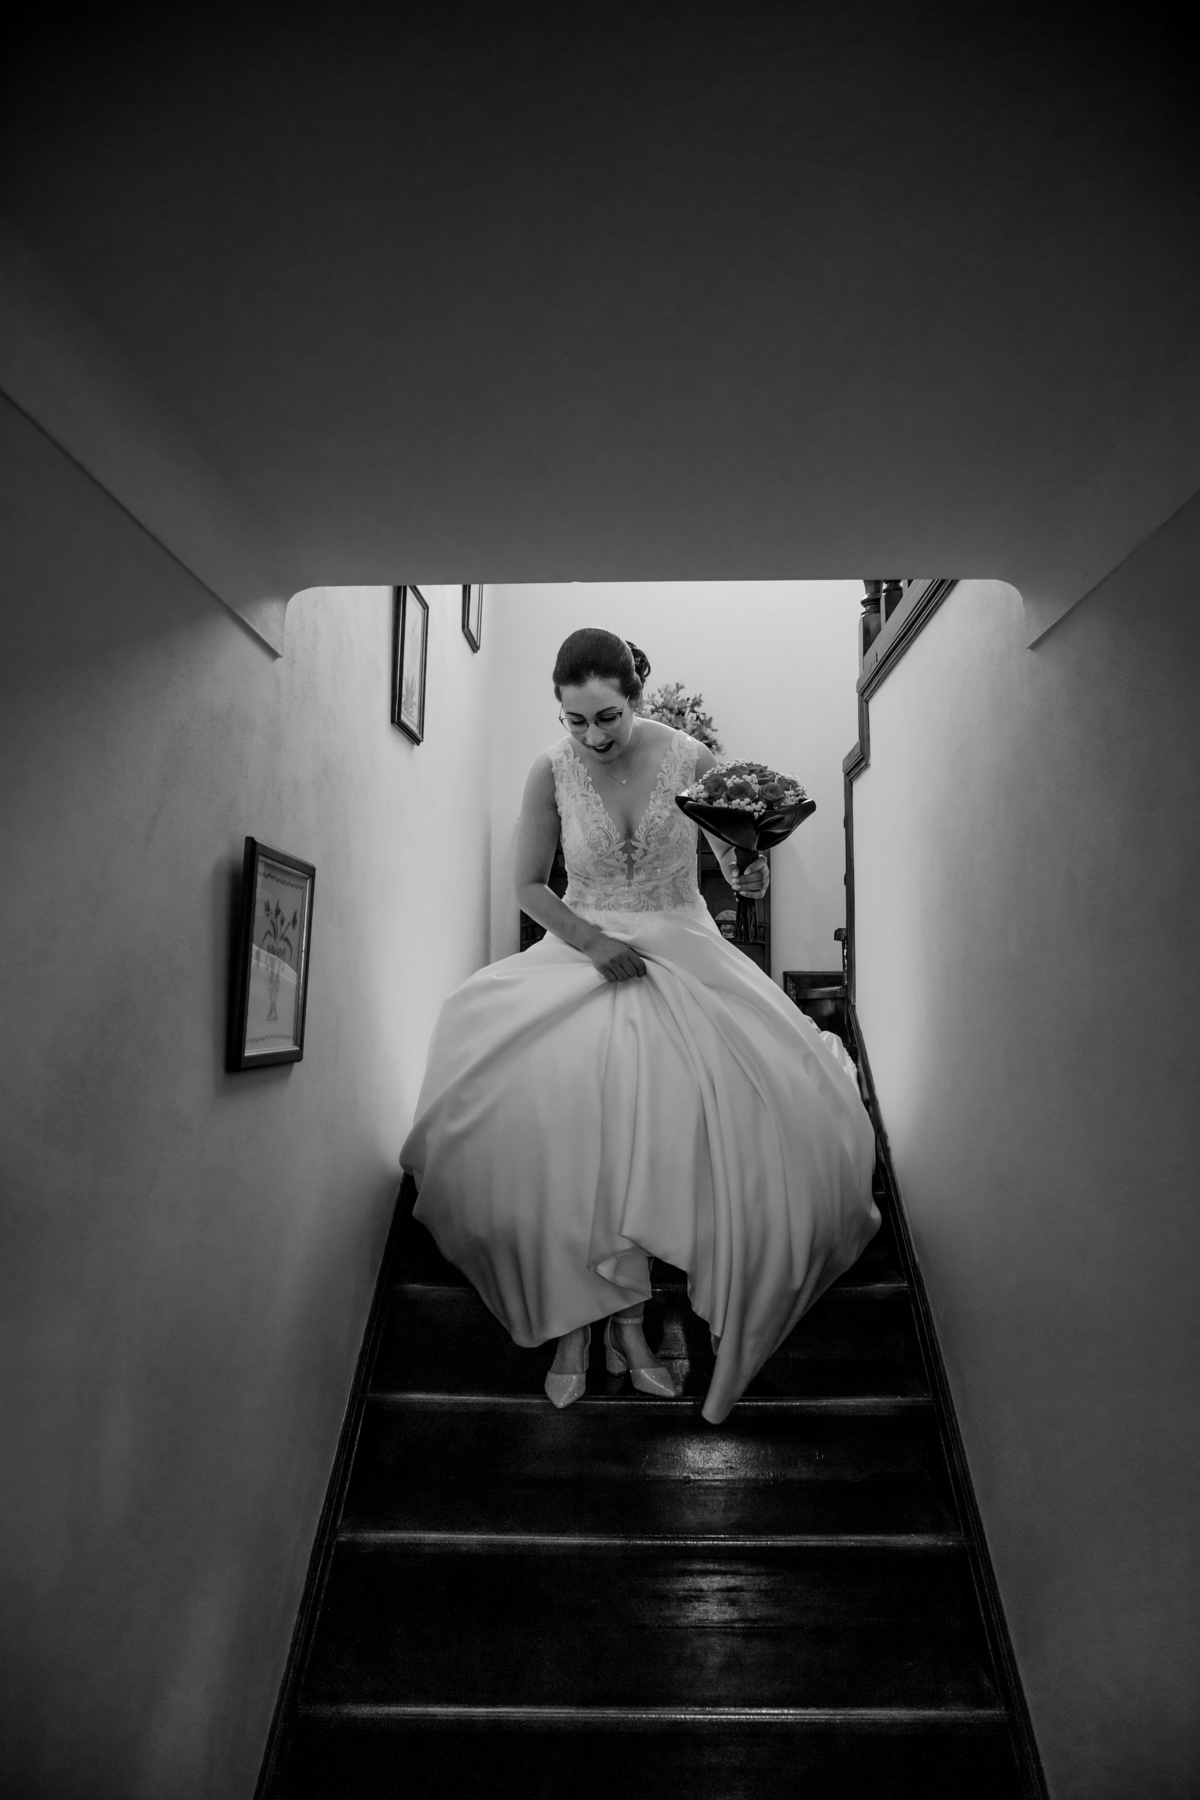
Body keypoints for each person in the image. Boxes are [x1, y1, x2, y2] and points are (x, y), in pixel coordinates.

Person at [401, 628, 879, 1423]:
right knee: (559, 1107)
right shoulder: (549, 770)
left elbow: (733, 867)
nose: (593, 737)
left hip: (683, 945)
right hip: (584, 946)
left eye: (608, 717)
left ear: (636, 697)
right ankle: (577, 1320)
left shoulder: (692, 759)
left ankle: (627, 1323)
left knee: (684, 1111)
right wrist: (593, 944)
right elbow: (527, 886)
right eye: (575, 720)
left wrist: (750, 869)